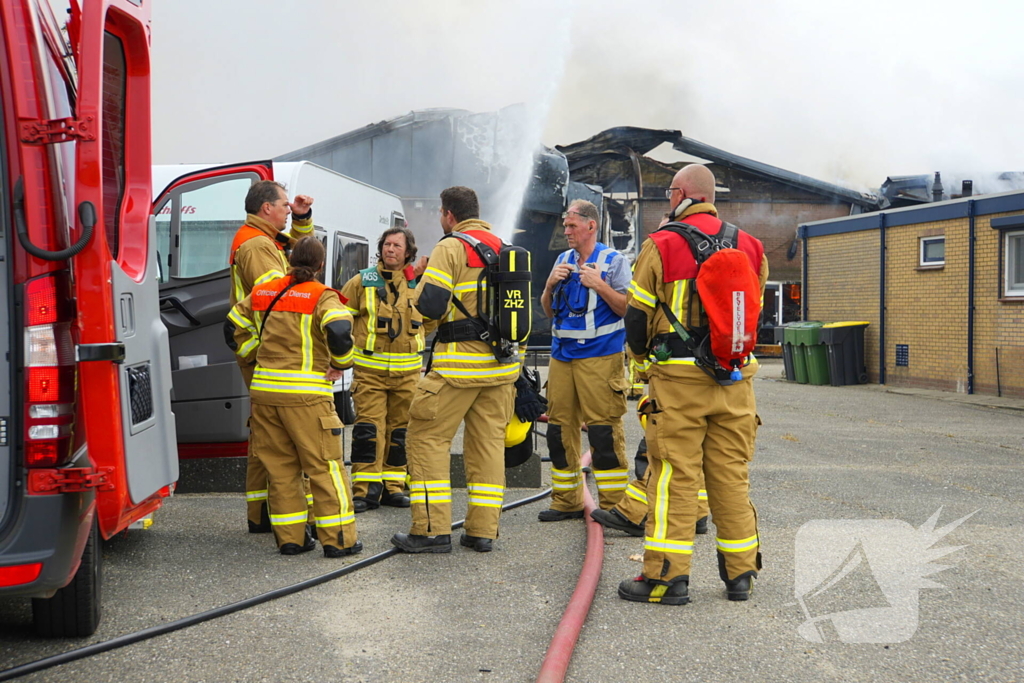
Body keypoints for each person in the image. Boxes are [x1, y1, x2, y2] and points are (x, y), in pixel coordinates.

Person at [617, 164, 767, 605]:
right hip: (735, 380)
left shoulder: (661, 244)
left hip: (679, 380)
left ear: (680, 193)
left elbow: (636, 315)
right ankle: (741, 576)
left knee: (673, 478)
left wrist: (643, 360)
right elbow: (752, 313)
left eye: (669, 193)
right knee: (731, 479)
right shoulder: (752, 246)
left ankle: (666, 579)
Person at [390, 186, 519, 554]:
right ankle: (482, 531)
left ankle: (431, 531)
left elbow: (431, 307)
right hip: (500, 369)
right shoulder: (501, 246)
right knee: (488, 448)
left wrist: (422, 280)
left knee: (426, 439)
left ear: (448, 214)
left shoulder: (451, 246)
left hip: (456, 369)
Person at [227, 237, 362, 557]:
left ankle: (291, 539)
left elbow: (232, 326)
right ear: (319, 265)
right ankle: (339, 540)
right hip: (307, 397)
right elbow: (341, 330)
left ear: (289, 260)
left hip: (265, 395)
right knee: (325, 467)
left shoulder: (263, 293)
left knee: (281, 469)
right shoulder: (322, 296)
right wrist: (340, 365)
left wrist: (256, 354)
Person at [537, 199, 631, 522]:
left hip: (601, 357)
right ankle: (566, 501)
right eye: (565, 226)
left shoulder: (614, 261)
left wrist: (599, 284)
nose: (566, 231)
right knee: (558, 430)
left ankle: (615, 505)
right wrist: (549, 285)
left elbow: (626, 309)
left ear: (591, 226)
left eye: (572, 225)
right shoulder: (562, 259)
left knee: (603, 432)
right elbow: (548, 310)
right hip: (563, 357)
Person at [230, 180, 315, 533]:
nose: (286, 210)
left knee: (266, 435)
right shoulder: (256, 246)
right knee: (289, 438)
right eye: (283, 206)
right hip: (272, 353)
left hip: (263, 351)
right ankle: (294, 519)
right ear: (266, 208)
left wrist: (302, 218)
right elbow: (279, 301)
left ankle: (263, 513)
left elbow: (301, 253)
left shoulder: (263, 240)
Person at [340, 227, 430, 512]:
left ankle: (394, 487)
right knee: (369, 430)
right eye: (386, 245)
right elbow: (340, 317)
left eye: (396, 245)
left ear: (408, 252)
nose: (390, 249)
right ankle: (365, 491)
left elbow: (431, 320)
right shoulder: (361, 282)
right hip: (370, 374)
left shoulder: (419, 284)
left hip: (408, 375)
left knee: (400, 432)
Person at [590, 395, 709, 537]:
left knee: (661, 450)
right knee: (690, 453)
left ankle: (632, 514)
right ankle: (697, 514)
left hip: (676, 390)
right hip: (711, 393)